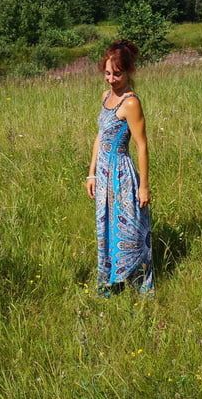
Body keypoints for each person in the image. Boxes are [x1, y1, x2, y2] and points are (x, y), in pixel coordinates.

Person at [85, 39, 154, 297]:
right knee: (106, 228)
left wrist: (144, 186)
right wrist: (91, 172)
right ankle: (111, 283)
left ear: (128, 72)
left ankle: (140, 288)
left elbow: (142, 145)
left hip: (122, 174)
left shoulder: (131, 103)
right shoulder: (105, 97)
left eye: (117, 73)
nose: (111, 79)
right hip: (102, 174)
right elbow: (100, 136)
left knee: (131, 230)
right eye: (107, 73)